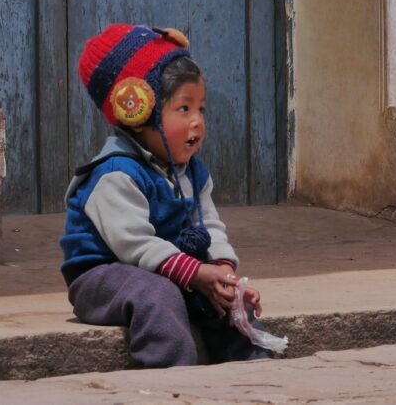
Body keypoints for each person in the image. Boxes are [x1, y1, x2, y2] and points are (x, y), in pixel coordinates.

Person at [60, 23, 271, 367]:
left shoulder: (192, 171)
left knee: (225, 300)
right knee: (158, 294)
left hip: (167, 268)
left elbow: (211, 227)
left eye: (200, 108)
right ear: (138, 113)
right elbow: (135, 245)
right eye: (183, 108)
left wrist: (222, 273)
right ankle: (169, 379)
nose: (197, 121)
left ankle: (253, 369)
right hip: (103, 279)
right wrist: (196, 274)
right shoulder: (114, 174)